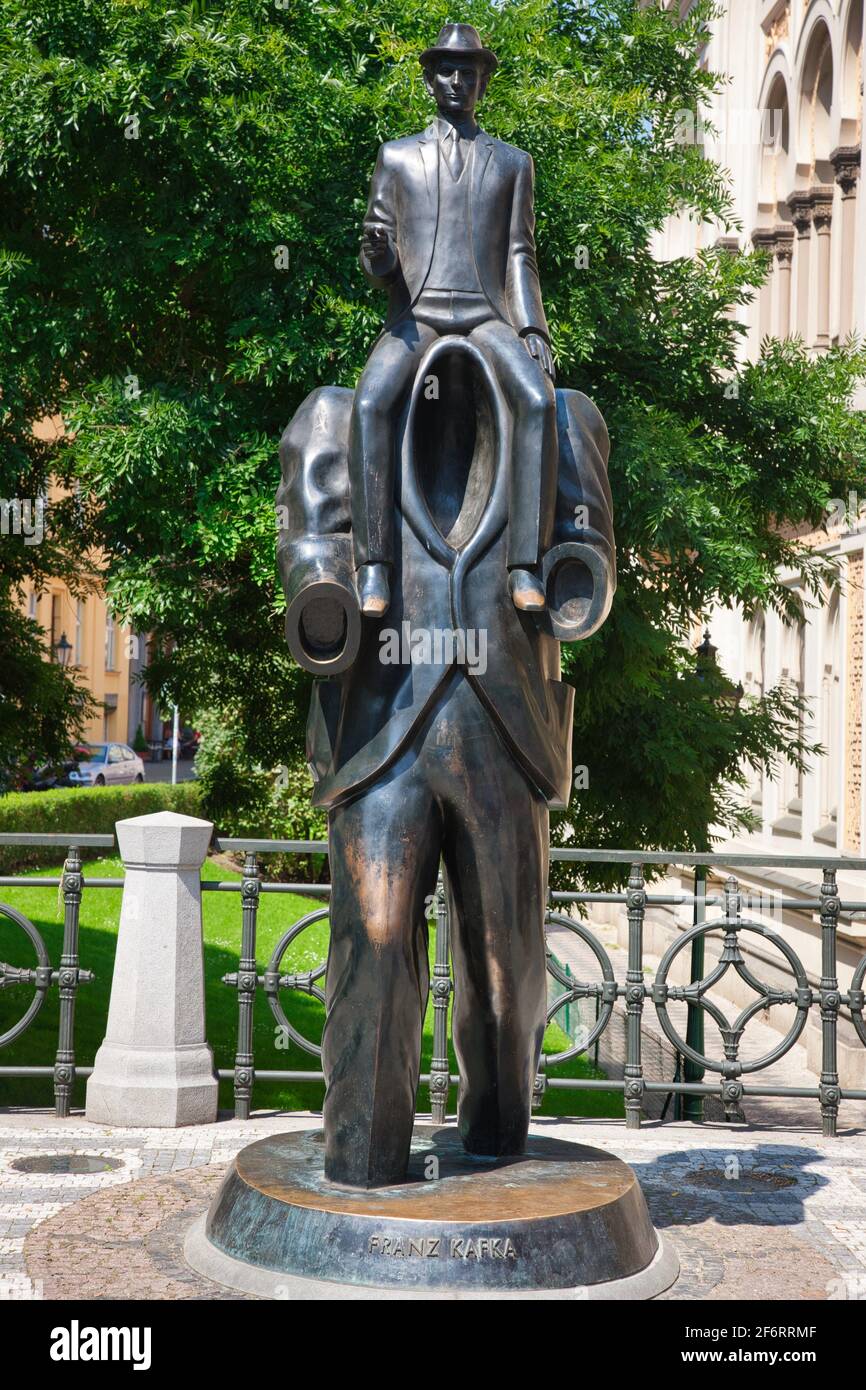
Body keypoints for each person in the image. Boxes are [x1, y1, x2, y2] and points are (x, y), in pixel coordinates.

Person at [350, 23, 558, 617]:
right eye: (447, 70)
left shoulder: (514, 164)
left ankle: (525, 565)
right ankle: (373, 569)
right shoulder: (396, 158)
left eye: (469, 73)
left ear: (483, 83)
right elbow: (380, 262)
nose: (457, 81)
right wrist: (379, 257)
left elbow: (521, 255)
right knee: (369, 404)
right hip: (416, 319)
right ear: (430, 77)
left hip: (486, 316)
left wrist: (533, 327)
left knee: (539, 403)